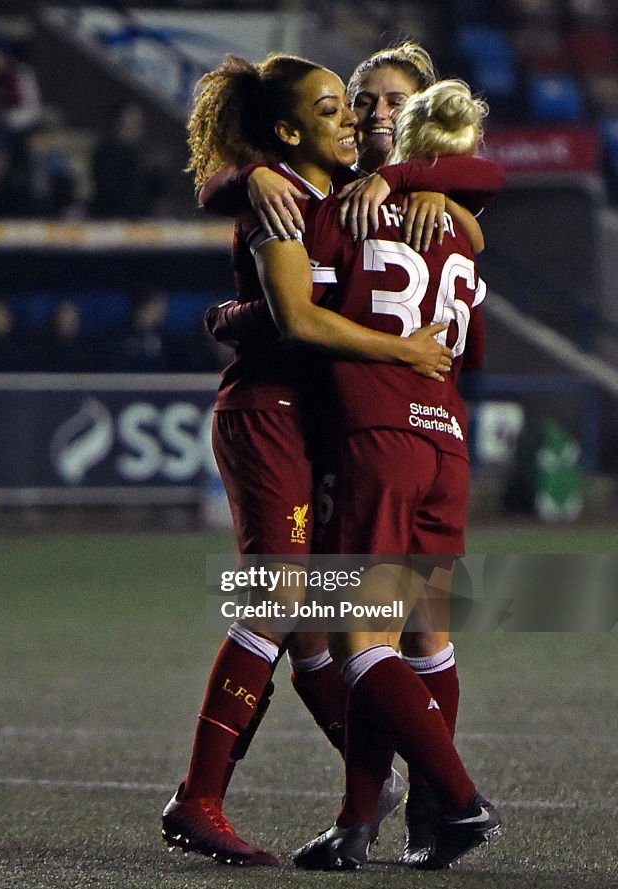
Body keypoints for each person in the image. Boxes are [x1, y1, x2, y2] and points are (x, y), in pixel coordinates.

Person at [197, 41, 504, 863]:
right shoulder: (452, 223)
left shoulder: (339, 211)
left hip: (372, 435)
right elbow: (469, 348)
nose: (369, 114)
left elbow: (298, 309)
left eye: (386, 102)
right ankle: (370, 817)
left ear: (415, 123)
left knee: (350, 636)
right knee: (420, 635)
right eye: (356, 101)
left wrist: (228, 318)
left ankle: (454, 798)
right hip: (444, 436)